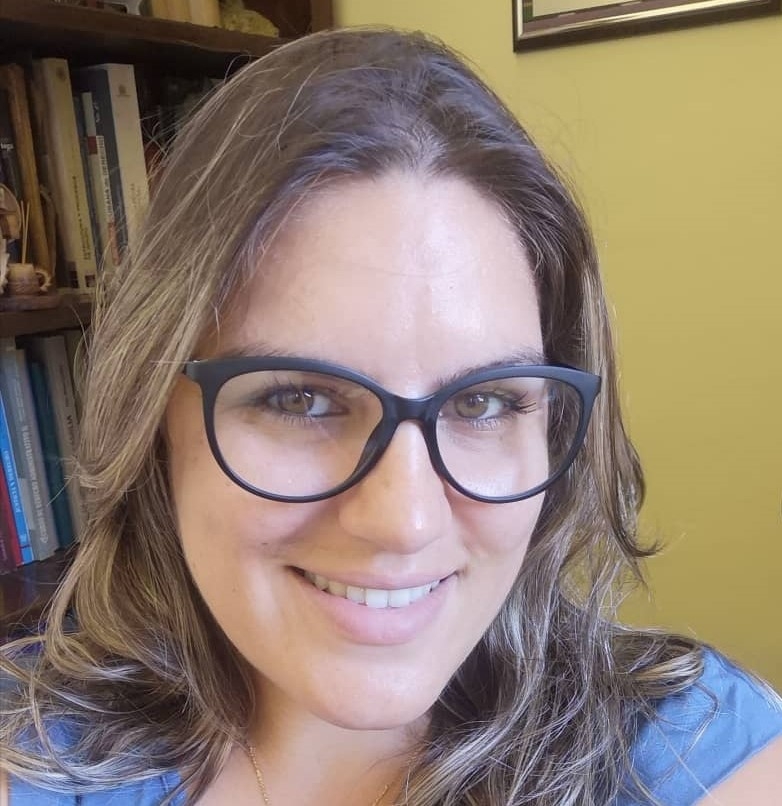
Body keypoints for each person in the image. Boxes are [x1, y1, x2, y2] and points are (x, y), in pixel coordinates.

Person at [1, 27, 780, 806]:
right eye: (299, 400)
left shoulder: (696, 756)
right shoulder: (29, 757)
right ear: (153, 416)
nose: (403, 521)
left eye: (483, 402)